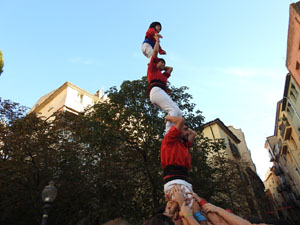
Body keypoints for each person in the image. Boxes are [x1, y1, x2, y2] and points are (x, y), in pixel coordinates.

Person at [147, 34, 182, 134]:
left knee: (178, 113)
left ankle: (174, 132)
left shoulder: (163, 76)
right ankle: (168, 134)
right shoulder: (152, 68)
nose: (163, 64)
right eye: (161, 62)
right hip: (156, 91)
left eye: (164, 63)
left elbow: (171, 69)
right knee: (173, 110)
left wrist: (163, 67)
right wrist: (157, 41)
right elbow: (155, 52)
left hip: (160, 93)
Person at [161, 116, 197, 201]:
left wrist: (185, 128)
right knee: (184, 209)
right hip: (174, 181)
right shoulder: (170, 140)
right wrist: (169, 117)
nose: (188, 132)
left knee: (193, 208)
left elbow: (193, 133)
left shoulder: (184, 145)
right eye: (185, 129)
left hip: (183, 180)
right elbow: (180, 120)